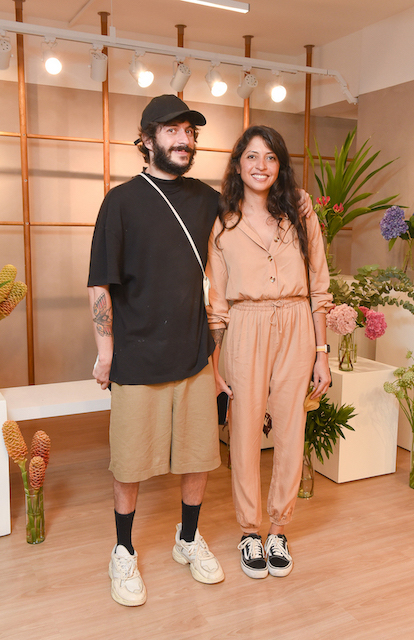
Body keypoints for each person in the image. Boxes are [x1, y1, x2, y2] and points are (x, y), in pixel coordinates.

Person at [87, 94, 225, 606]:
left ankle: (187, 539)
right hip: (136, 357)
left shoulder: (208, 199)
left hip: (193, 353)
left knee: (198, 456)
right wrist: (106, 352)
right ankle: (123, 551)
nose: (183, 139)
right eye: (171, 131)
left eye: (189, 131)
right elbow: (100, 284)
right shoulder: (121, 201)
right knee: (129, 462)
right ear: (146, 140)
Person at [206, 125, 332, 580]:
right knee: (243, 431)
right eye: (252, 156)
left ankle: (278, 528)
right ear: (238, 164)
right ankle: (248, 530)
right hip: (245, 325)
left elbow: (319, 286)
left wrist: (321, 353)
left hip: (297, 323)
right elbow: (216, 302)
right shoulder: (223, 222)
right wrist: (214, 364)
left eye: (271, 157)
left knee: (291, 429)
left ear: (280, 165)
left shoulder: (300, 213)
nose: (261, 166)